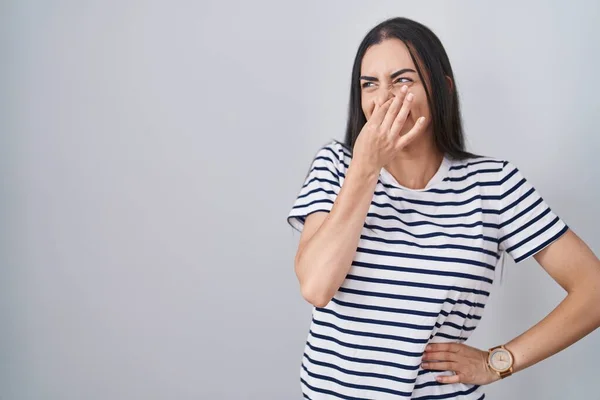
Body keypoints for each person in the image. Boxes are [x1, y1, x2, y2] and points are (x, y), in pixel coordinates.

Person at [286, 16, 600, 400]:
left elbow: (594, 290)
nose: (383, 99)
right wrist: (365, 169)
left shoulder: (493, 185)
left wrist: (497, 361)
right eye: (370, 84)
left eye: (403, 80)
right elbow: (317, 287)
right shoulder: (336, 166)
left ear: (442, 89)